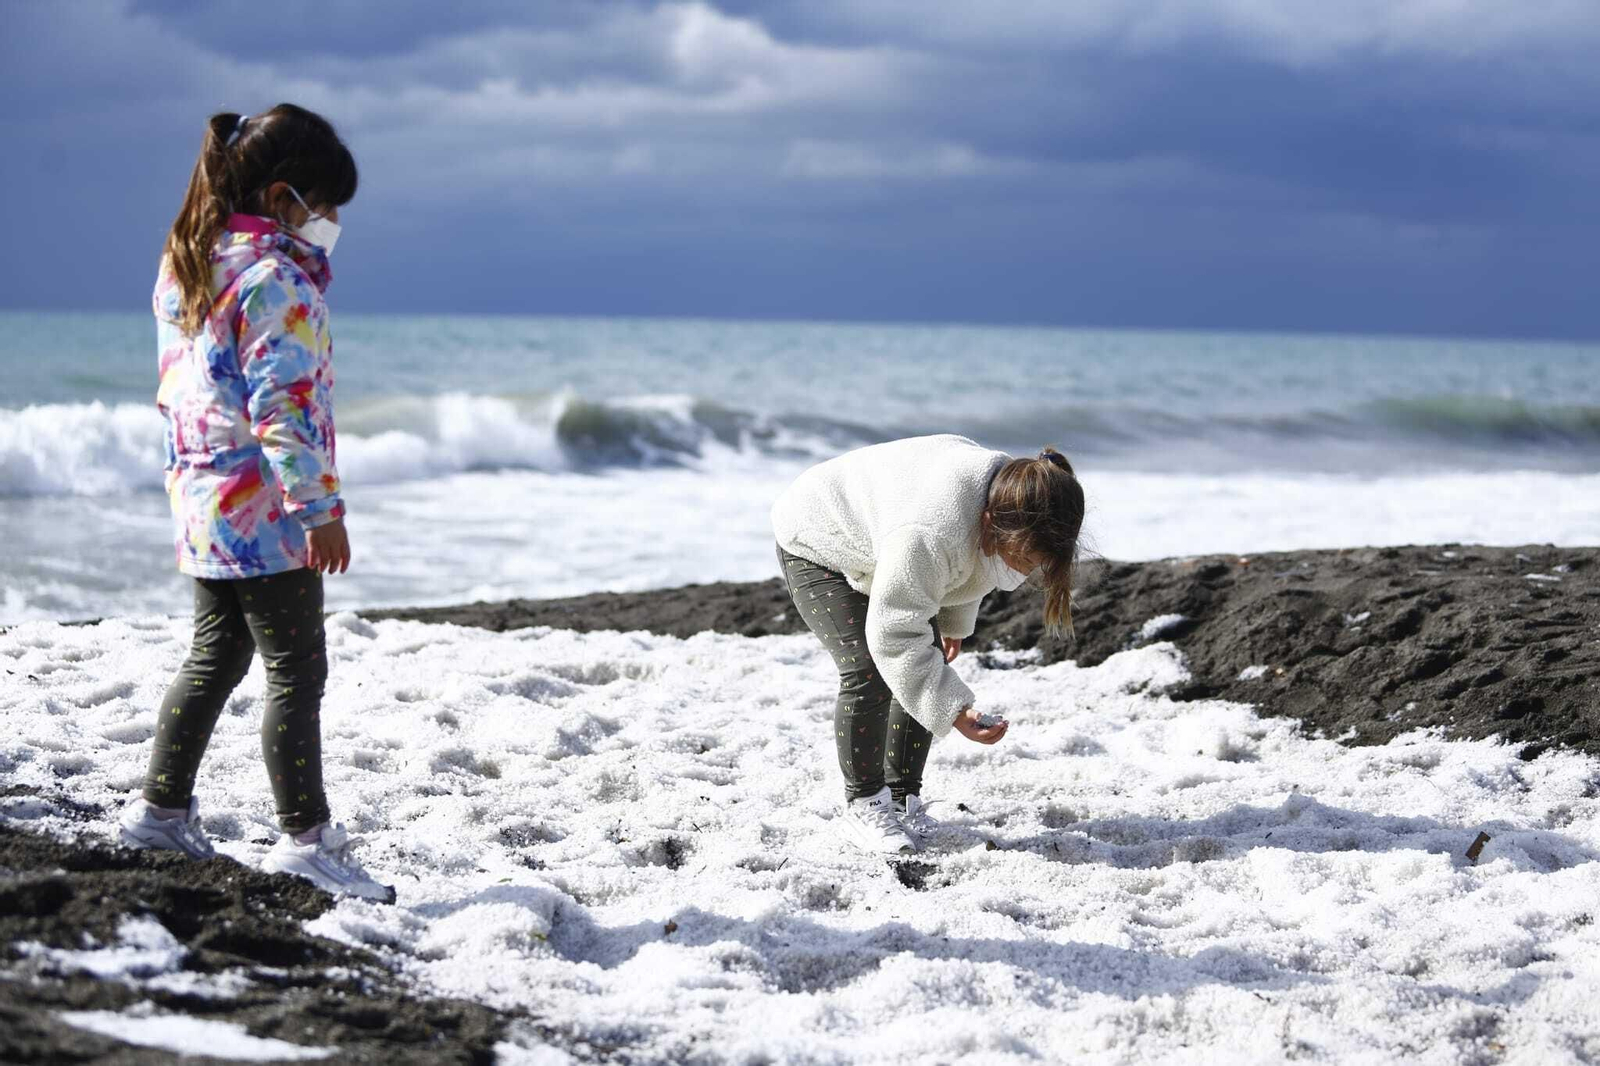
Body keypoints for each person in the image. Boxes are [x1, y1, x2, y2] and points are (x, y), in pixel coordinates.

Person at [116, 104, 391, 902]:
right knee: (297, 671)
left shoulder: (189, 265)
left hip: (203, 503)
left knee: (216, 656)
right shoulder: (276, 284)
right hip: (268, 517)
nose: (334, 222)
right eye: (327, 205)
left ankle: (160, 813)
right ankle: (308, 838)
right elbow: (285, 409)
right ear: (283, 200)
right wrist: (319, 510)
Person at [772, 434, 1085, 854]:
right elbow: (894, 635)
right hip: (820, 531)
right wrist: (955, 710)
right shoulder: (931, 531)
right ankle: (864, 806)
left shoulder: (1018, 493)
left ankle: (901, 801)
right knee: (869, 668)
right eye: (1027, 559)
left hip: (894, 533)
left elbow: (972, 561)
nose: (1031, 570)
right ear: (991, 521)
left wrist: (955, 621)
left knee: (926, 660)